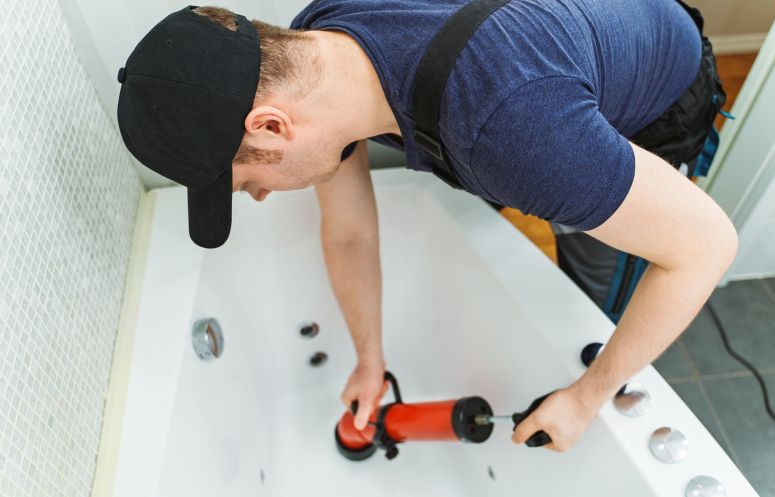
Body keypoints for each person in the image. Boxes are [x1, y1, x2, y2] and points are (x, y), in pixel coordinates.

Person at [116, 1, 738, 452]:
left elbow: (706, 247)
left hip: (658, 87)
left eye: (247, 182)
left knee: (591, 295)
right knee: (526, 171)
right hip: (540, 79)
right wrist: (369, 359)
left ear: (273, 127)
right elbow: (349, 232)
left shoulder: (512, 130)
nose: (255, 197)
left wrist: (585, 396)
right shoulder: (315, 46)